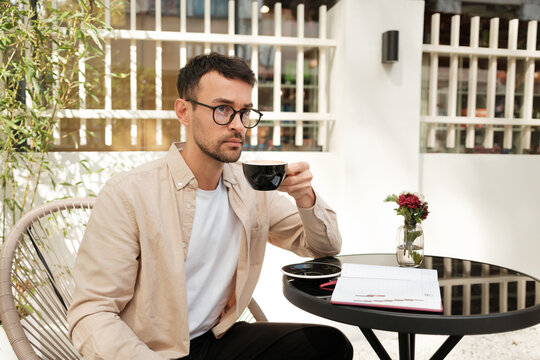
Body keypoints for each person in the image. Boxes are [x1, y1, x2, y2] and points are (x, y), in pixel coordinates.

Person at [67, 52, 353, 360]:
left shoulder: (252, 187)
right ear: (184, 111)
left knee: (328, 345)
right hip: (151, 352)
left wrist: (305, 197)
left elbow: (324, 246)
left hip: (215, 339)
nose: (237, 126)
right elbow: (92, 313)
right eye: (222, 109)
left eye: (244, 112)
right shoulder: (129, 194)